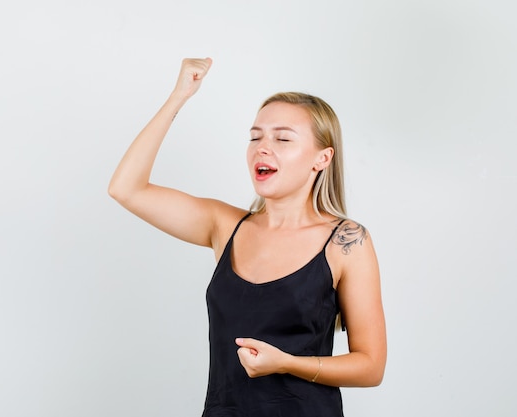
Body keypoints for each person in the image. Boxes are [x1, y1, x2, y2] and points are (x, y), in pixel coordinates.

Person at [108, 57, 387, 417]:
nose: (262, 147)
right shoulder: (225, 226)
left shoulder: (346, 242)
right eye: (255, 137)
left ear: (322, 158)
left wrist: (287, 363)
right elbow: (126, 188)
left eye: (282, 138)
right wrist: (179, 96)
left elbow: (370, 366)